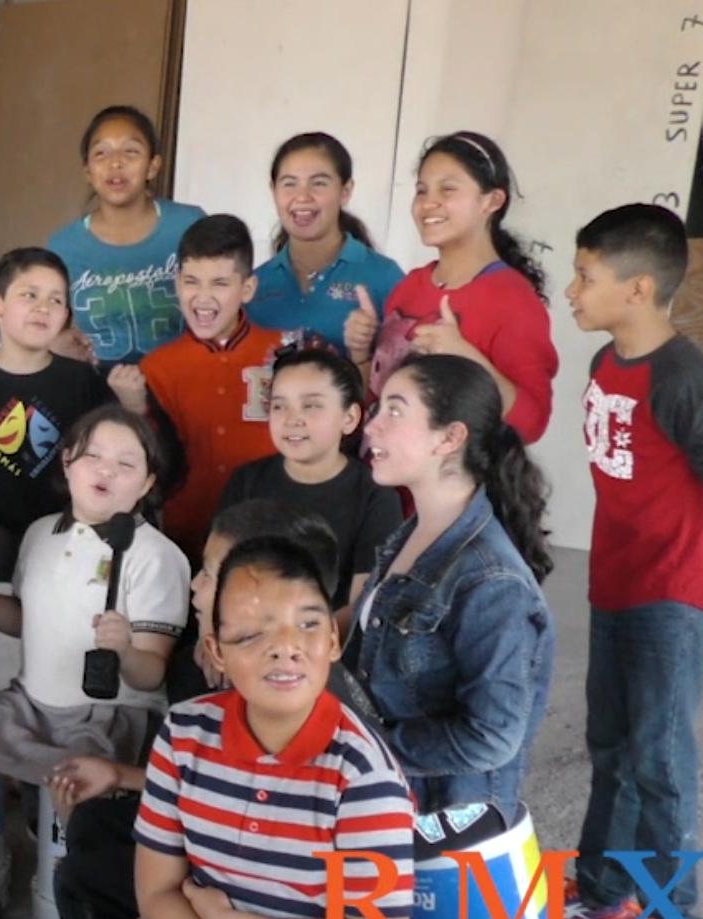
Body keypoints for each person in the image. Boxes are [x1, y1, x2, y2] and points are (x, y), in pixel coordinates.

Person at [45, 536, 414, 919]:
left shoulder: (363, 772)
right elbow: (157, 895)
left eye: (308, 625)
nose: (285, 648)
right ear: (216, 652)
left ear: (334, 639)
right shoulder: (186, 732)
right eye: (251, 634)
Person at [0, 405, 189, 919]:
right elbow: (25, 620)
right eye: (93, 455)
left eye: (126, 463)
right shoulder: (41, 534)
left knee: (78, 796)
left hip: (109, 717)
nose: (106, 470)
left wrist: (125, 647)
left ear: (147, 485)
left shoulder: (157, 557)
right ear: (67, 464)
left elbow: (152, 671)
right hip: (30, 704)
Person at [52, 500, 379, 919]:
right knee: (95, 827)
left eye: (209, 573)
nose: (197, 586)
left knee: (88, 874)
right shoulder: (206, 667)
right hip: (230, 840)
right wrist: (119, 776)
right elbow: (222, 784)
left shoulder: (304, 701)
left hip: (270, 887)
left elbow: (252, 830)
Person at [563, 204, 703, 919]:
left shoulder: (686, 381)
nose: (572, 291)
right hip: (619, 579)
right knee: (611, 743)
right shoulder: (606, 361)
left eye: (586, 277)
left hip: (675, 591)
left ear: (638, 288)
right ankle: (606, 891)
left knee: (659, 756)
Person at [348, 354, 556, 818]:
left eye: (394, 411)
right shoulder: (412, 533)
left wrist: (361, 751)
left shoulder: (490, 580)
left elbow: (491, 737)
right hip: (394, 803)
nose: (371, 426)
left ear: (450, 437)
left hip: (448, 825)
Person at [360, 131, 559, 444]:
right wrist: (361, 349)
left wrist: (468, 358)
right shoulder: (409, 286)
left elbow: (531, 425)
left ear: (492, 200)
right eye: (421, 190)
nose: (429, 203)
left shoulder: (513, 300)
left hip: (456, 489)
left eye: (448, 189)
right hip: (385, 483)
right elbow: (379, 396)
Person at [109, 213, 284, 557]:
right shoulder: (155, 368)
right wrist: (132, 409)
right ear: (176, 283)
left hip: (271, 534)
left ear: (247, 288)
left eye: (220, 283)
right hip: (183, 537)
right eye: (191, 281)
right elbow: (151, 463)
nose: (203, 297)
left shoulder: (286, 352)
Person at [0, 246, 116, 584]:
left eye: (56, 300)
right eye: (29, 295)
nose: (42, 308)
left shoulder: (82, 381)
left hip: (66, 528)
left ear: (66, 314)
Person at [220, 346, 403, 623]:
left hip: (325, 647)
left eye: (311, 405)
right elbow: (216, 575)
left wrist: (301, 645)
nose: (292, 419)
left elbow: (363, 605)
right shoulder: (246, 481)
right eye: (280, 406)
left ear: (350, 418)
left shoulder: (376, 496)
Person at [46, 105, 207, 369]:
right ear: (87, 171)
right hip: (98, 395)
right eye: (101, 153)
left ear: (153, 166)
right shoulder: (63, 247)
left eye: (131, 151)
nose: (116, 163)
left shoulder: (190, 224)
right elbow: (51, 331)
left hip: (185, 384)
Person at [245, 133, 405, 349]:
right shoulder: (254, 285)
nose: (302, 196)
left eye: (319, 183)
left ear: (345, 191)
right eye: (289, 184)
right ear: (273, 191)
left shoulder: (383, 277)